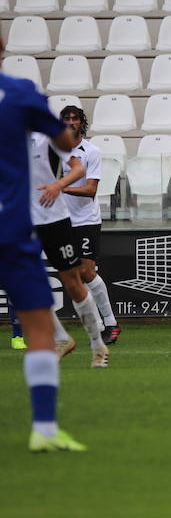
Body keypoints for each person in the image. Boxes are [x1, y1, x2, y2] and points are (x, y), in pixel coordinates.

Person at [1, 35, 86, 451]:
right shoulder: (19, 94)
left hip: (29, 221)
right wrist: (64, 137)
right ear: (2, 46)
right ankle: (45, 431)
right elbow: (66, 141)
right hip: (13, 226)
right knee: (39, 330)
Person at [30, 129, 111, 367]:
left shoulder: (45, 137)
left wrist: (58, 185)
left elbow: (78, 168)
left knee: (74, 281)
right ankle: (60, 337)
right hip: (22, 219)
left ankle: (97, 344)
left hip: (53, 218)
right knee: (19, 278)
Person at [58, 106, 121, 346]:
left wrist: (61, 187)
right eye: (67, 119)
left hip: (86, 220)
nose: (71, 122)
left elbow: (91, 190)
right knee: (74, 276)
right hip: (63, 221)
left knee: (86, 272)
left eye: (75, 119)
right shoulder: (56, 150)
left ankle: (111, 323)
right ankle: (101, 326)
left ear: (82, 123)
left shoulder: (90, 151)